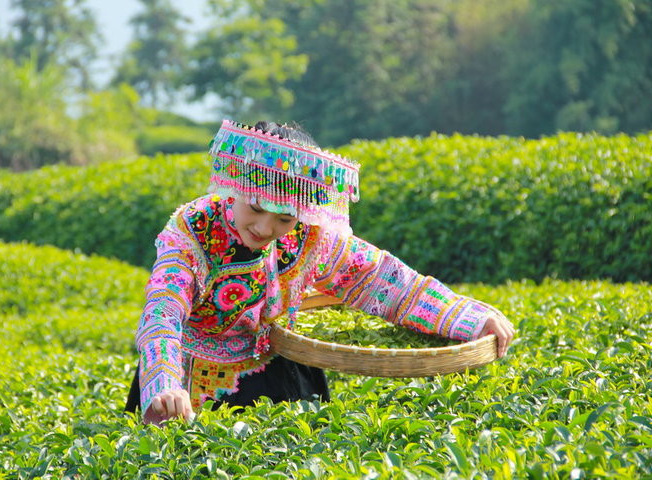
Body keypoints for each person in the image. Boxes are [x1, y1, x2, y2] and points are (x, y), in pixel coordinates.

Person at [124, 119, 515, 425]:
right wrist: (164, 383)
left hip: (279, 369)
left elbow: (384, 281)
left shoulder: (310, 237)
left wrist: (469, 317)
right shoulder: (193, 230)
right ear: (235, 186)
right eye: (255, 208)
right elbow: (163, 311)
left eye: (283, 218)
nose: (264, 229)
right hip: (188, 375)